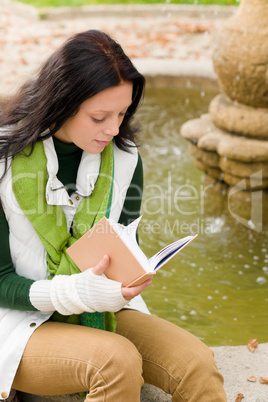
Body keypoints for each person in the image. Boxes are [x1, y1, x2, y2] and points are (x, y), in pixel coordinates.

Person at [0, 29, 227, 402]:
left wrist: (129, 277)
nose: (115, 129)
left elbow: (124, 248)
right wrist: (74, 291)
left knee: (196, 362)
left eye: (122, 113)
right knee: (114, 361)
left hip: (102, 309)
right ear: (61, 103)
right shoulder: (5, 160)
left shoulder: (124, 158)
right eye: (100, 116)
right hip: (21, 322)